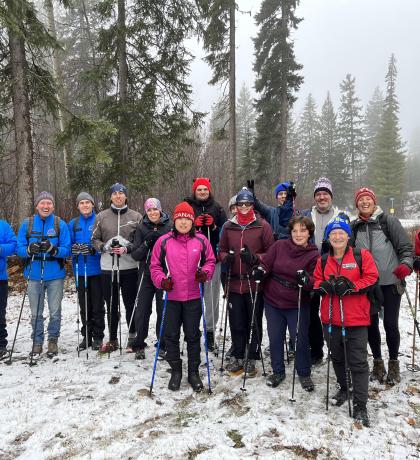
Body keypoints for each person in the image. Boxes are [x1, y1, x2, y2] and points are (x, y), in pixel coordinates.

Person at [314, 217, 378, 427]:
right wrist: (323, 286)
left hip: (356, 319)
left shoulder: (361, 255)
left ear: (348, 236)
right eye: (334, 234)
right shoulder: (323, 260)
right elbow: (316, 280)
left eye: (342, 233)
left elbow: (372, 277)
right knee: (337, 357)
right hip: (331, 318)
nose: (338, 237)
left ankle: (360, 404)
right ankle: (344, 387)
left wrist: (352, 286)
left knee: (358, 362)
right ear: (328, 238)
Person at [150, 201, 215, 392]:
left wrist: (205, 273)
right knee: (170, 335)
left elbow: (210, 261)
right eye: (180, 219)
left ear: (192, 221)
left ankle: (193, 372)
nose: (184, 223)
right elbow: (154, 266)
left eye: (187, 219)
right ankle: (176, 371)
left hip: (193, 296)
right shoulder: (164, 241)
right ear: (175, 220)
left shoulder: (201, 240)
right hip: (171, 296)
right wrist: (162, 281)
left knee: (193, 335)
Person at [350, 187, 413, 384]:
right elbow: (348, 253)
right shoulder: (354, 227)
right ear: (357, 204)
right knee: (371, 325)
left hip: (391, 283)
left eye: (368, 199)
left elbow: (406, 248)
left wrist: (405, 265)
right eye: (361, 200)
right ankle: (378, 362)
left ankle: (393, 363)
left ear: (374, 201)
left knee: (390, 324)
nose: (365, 202)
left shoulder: (388, 221)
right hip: (368, 286)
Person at [255, 216, 319, 390]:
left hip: (297, 303)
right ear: (290, 232)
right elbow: (266, 264)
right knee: (275, 337)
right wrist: (260, 271)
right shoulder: (279, 246)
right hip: (273, 300)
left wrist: (306, 279)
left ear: (309, 233)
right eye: (295, 231)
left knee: (300, 339)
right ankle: (278, 371)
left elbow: (315, 280)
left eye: (303, 230)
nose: (298, 234)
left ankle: (304, 373)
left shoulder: (314, 254)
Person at [218, 187, 274, 376]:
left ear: (252, 205)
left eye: (247, 204)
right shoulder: (228, 226)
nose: (243, 207)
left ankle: (252, 353)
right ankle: (238, 353)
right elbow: (222, 249)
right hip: (234, 282)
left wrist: (255, 258)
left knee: (253, 321)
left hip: (254, 283)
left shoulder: (262, 225)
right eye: (239, 204)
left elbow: (271, 253)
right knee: (236, 321)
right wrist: (225, 258)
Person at [300, 177, 348, 365]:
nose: (322, 197)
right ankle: (316, 350)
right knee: (311, 313)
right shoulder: (306, 215)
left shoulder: (341, 216)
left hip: (333, 270)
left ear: (331, 196)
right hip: (311, 270)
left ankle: (337, 350)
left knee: (332, 313)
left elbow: (348, 243)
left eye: (325, 194)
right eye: (318, 194)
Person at [16, 192, 71, 356]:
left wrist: (54, 250)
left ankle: (53, 340)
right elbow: (18, 248)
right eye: (43, 203)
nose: (46, 206)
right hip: (33, 274)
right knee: (36, 312)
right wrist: (28, 250)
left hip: (55, 274)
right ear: (37, 206)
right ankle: (37, 341)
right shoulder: (28, 224)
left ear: (53, 206)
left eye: (49, 203)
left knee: (55, 311)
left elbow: (67, 249)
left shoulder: (59, 224)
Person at [91, 183, 142, 353]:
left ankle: (133, 336)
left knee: (130, 303)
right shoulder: (101, 216)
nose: (118, 196)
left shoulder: (136, 216)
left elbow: (140, 242)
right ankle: (113, 339)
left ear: (126, 196)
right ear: (110, 197)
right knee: (111, 304)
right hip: (108, 267)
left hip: (130, 267)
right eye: (115, 194)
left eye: (121, 193)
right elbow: (94, 239)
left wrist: (128, 248)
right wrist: (104, 247)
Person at [185, 177, 227, 351]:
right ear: (194, 190)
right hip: (190, 260)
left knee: (211, 297)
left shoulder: (217, 208)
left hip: (212, 260)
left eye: (205, 189)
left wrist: (214, 227)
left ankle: (209, 331)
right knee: (191, 296)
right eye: (199, 189)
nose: (202, 192)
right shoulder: (187, 206)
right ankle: (192, 330)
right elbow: (179, 228)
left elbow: (226, 233)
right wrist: (193, 225)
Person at [130, 198, 171, 360]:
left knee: (163, 309)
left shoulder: (169, 226)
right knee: (143, 309)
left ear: (160, 210)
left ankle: (163, 343)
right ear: (146, 212)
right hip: (146, 274)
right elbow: (135, 254)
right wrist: (146, 244)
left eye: (155, 209)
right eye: (149, 210)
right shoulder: (141, 227)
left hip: (163, 272)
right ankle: (139, 343)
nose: (153, 212)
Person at [68, 192, 105, 351]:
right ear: (78, 206)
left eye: (87, 202)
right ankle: (87, 336)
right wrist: (74, 249)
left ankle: (98, 336)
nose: (85, 205)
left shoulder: (99, 219)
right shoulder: (73, 223)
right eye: (81, 203)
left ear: (92, 204)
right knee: (84, 305)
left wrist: (93, 250)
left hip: (97, 270)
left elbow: (104, 244)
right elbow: (67, 245)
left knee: (97, 305)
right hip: (80, 270)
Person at [0, 219, 17, 358]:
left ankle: (1, 344)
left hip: (0, 278)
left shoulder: (3, 225)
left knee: (0, 313)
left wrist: (1, 248)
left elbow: (14, 245)